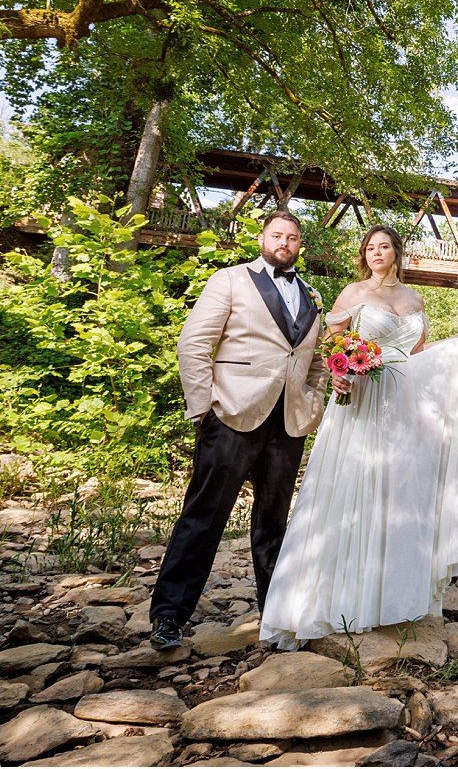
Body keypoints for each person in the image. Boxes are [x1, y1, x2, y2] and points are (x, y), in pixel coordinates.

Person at [260, 224, 458, 646]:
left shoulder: (414, 299)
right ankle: (338, 599)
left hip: (406, 407)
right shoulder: (353, 294)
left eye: (384, 246)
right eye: (370, 247)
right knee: (353, 487)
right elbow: (333, 344)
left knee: (400, 494)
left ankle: (389, 597)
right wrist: (341, 373)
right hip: (363, 396)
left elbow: (418, 354)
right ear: (363, 254)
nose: (376, 253)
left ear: (396, 252)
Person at [149, 211, 329, 651]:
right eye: (277, 235)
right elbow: (193, 343)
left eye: (292, 237)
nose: (284, 242)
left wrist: (315, 402)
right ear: (262, 238)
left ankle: (277, 618)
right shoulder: (229, 280)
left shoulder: (313, 295)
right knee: (203, 517)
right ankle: (169, 617)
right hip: (231, 415)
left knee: (273, 524)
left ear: (299, 245)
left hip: (288, 423)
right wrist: (203, 408)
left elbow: (317, 360)